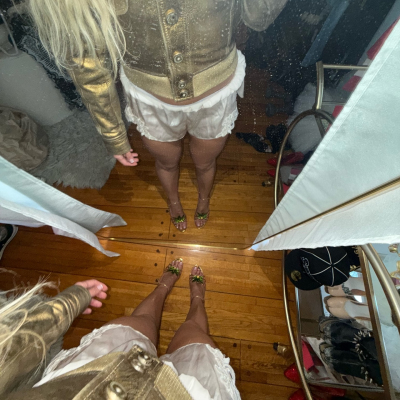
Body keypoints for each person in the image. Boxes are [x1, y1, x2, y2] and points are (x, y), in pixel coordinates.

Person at [27, 0, 288, 231]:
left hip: (216, 95)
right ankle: (174, 202)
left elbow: (258, 17)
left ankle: (203, 199)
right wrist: (112, 133)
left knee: (205, 163)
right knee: (166, 163)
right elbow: (87, 58)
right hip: (150, 99)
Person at [1, 259, 240, 399]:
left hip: (82, 378)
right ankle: (197, 299)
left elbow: (7, 351)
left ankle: (163, 287)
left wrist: (64, 307)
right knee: (195, 337)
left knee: (142, 322)